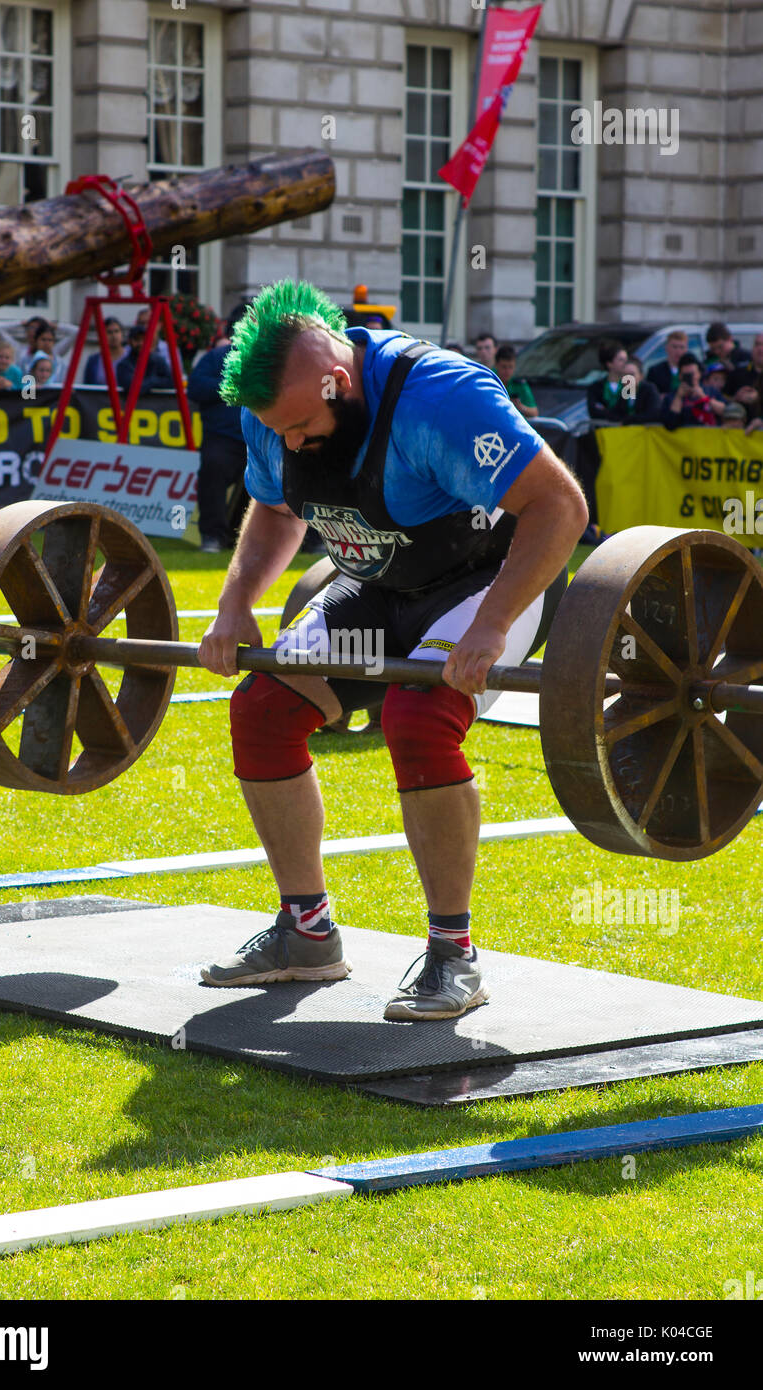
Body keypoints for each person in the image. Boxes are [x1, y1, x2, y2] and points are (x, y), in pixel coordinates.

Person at [197, 279, 588, 1021]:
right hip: (377, 583)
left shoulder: (439, 397)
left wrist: (492, 624)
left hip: (487, 581)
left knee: (418, 718)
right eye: (276, 429)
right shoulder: (272, 410)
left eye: (303, 424)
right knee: (263, 710)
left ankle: (454, 954)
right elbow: (276, 508)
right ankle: (308, 934)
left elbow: (561, 506)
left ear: (339, 382)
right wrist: (235, 601)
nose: (290, 441)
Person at [187, 300, 252, 552]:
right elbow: (196, 388)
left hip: (259, 439)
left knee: (267, 485)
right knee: (212, 474)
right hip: (222, 438)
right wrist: (229, 385)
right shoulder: (215, 358)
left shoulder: (269, 360)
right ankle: (212, 537)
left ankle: (245, 541)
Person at [661, 353, 725, 428]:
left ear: (699, 374)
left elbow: (726, 412)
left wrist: (704, 397)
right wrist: (678, 397)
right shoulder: (671, 397)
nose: (690, 378)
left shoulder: (711, 391)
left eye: (692, 374)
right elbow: (670, 424)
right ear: (680, 376)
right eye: (686, 375)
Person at [116, 324, 173, 393]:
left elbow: (172, 382)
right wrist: (153, 381)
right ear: (129, 341)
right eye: (137, 339)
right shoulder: (124, 365)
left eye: (144, 339)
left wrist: (151, 382)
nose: (141, 343)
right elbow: (133, 387)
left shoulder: (158, 361)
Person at [586, 339, 630, 422]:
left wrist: (606, 411)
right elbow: (595, 412)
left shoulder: (629, 385)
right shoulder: (596, 387)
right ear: (609, 364)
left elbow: (629, 410)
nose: (625, 363)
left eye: (626, 359)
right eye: (621, 360)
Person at [494, 344, 538, 420]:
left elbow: (534, 412)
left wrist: (520, 407)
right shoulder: (490, 380)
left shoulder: (519, 384)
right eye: (504, 367)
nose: (507, 371)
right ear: (496, 365)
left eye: (510, 367)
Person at [82, 317, 128, 385]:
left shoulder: (131, 356)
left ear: (122, 334)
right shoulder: (94, 361)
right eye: (109, 332)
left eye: (116, 331)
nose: (114, 336)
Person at [620, 357, 662, 423]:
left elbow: (654, 414)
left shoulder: (649, 389)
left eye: (631, 374)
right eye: (624, 374)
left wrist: (630, 419)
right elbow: (616, 413)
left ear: (641, 376)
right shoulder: (623, 391)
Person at [646, 330, 688, 395]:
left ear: (686, 349)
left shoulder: (693, 371)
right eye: (675, 347)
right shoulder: (655, 371)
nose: (678, 351)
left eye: (681, 347)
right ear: (667, 348)